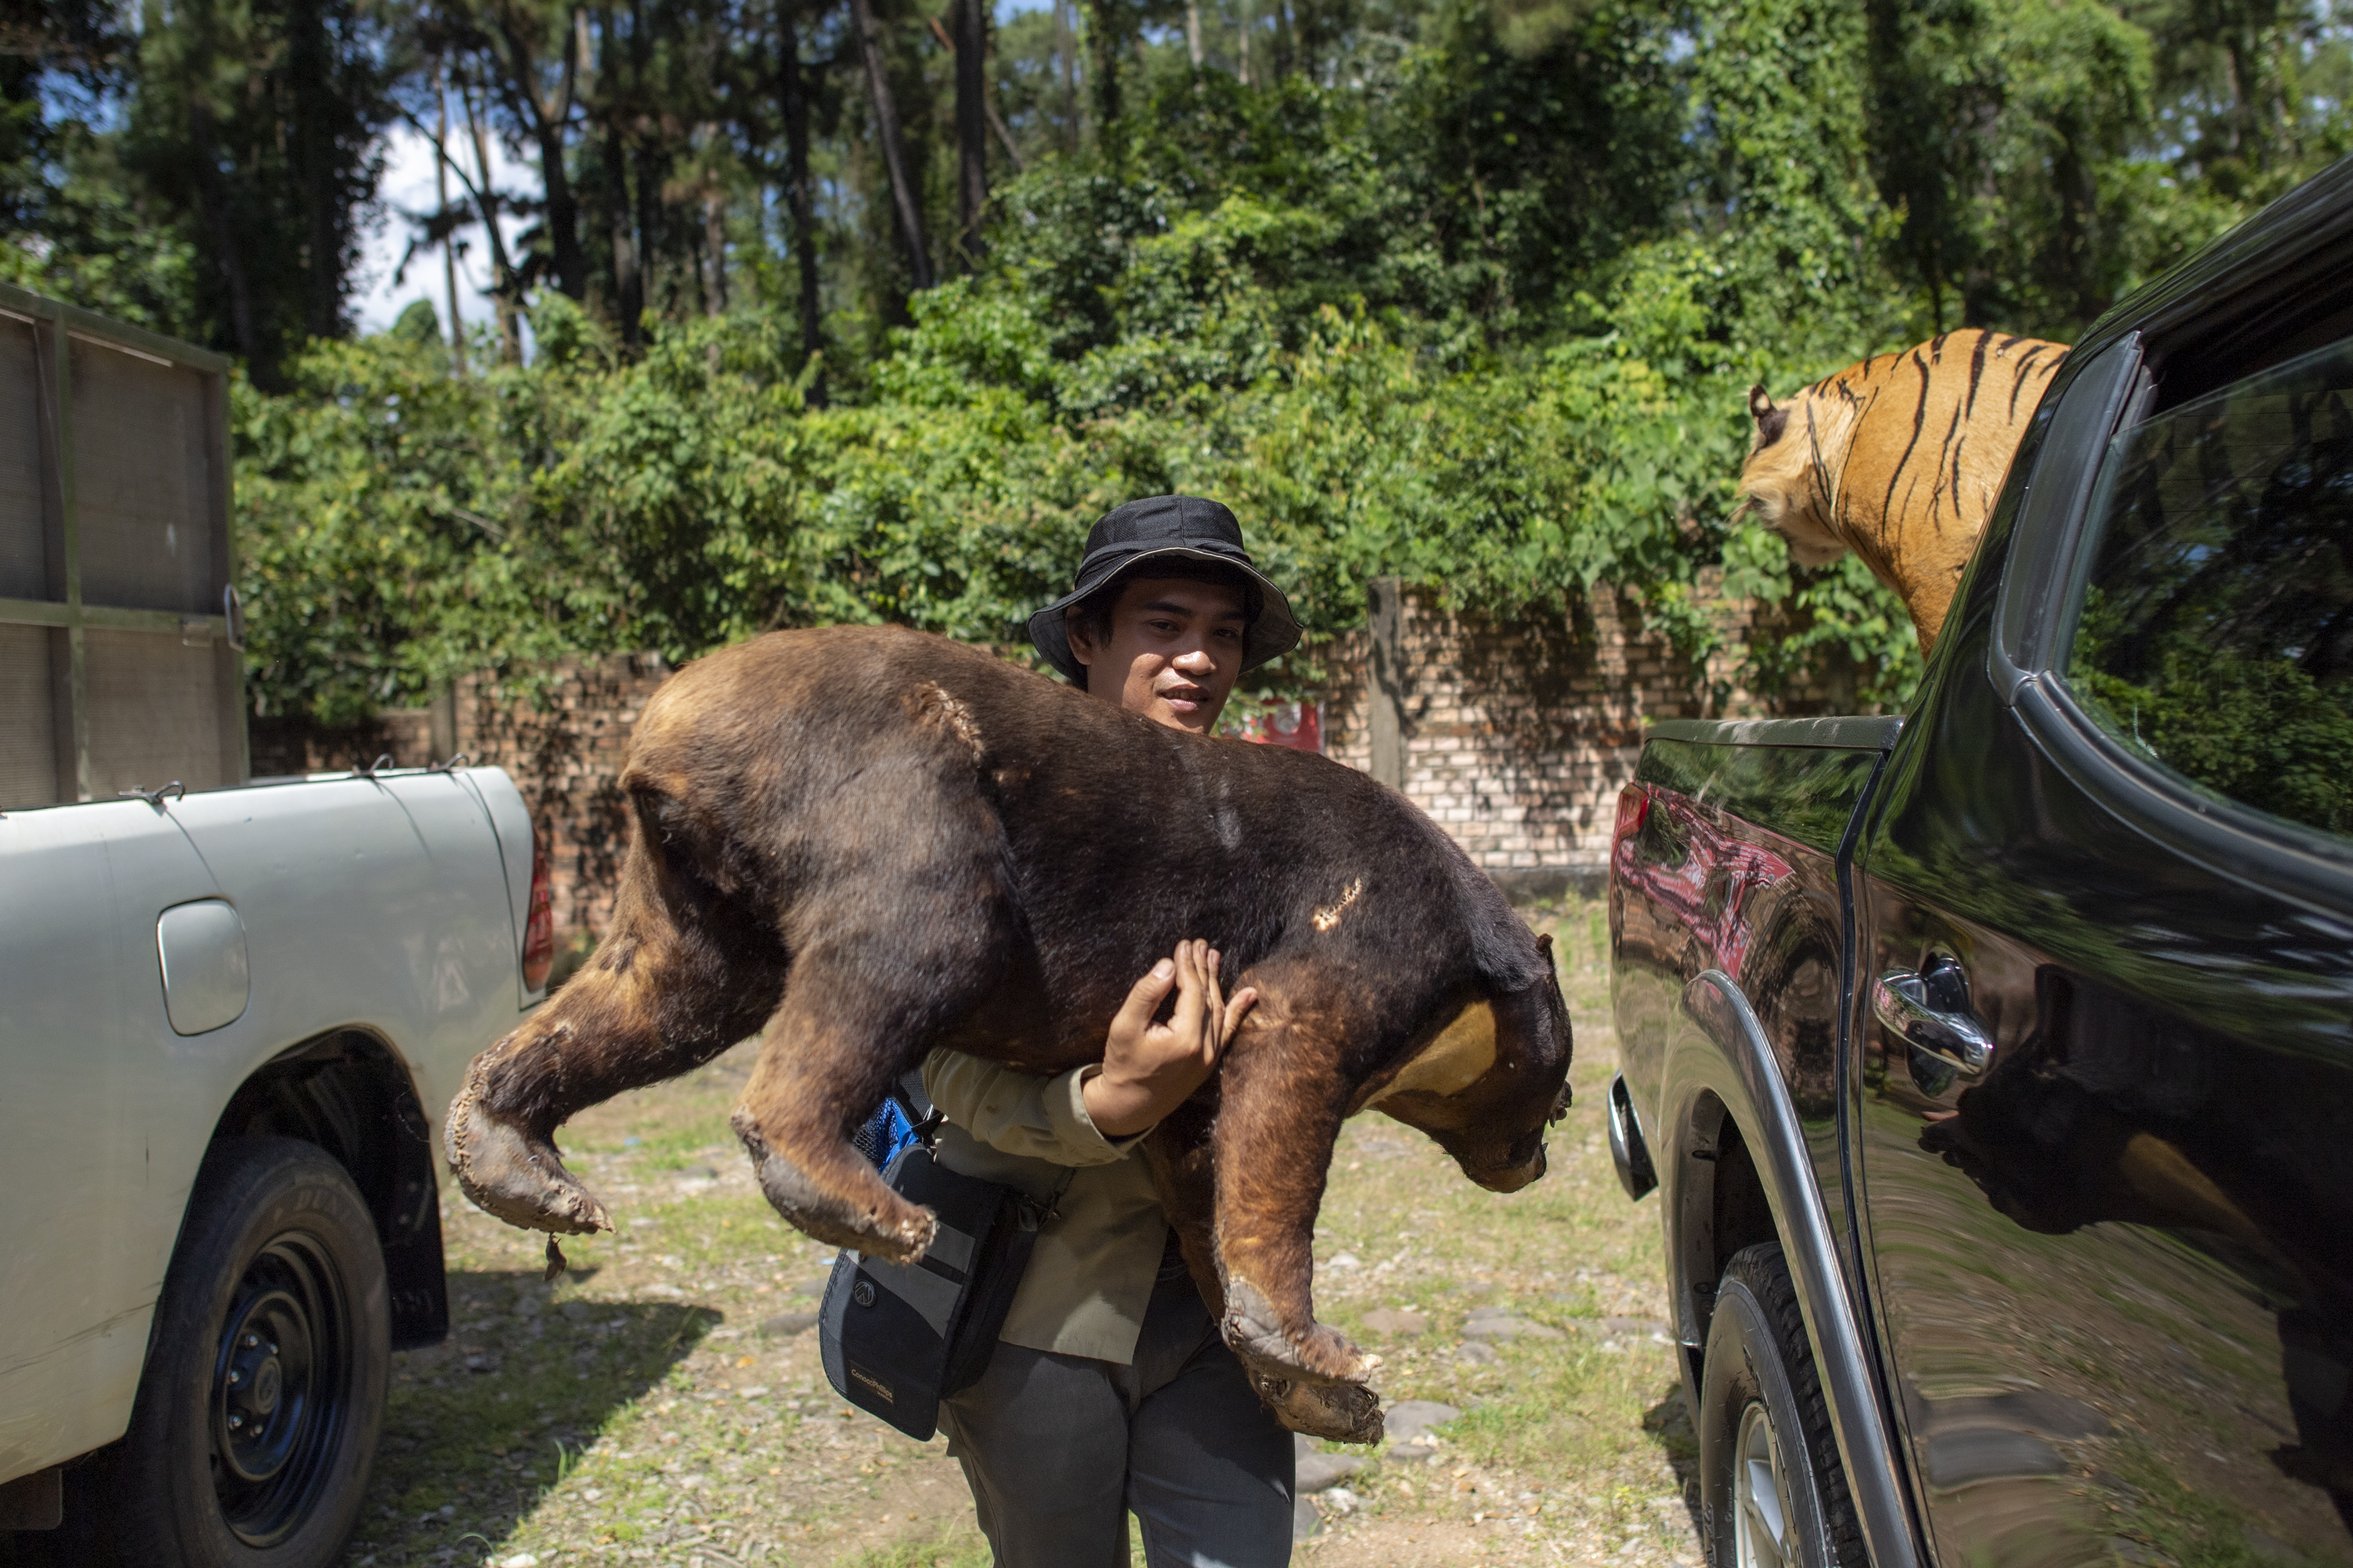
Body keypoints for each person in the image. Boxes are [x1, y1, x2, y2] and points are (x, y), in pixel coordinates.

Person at [922, 494, 1306, 1567]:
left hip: (1219, 1308)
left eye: (1224, 633)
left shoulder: (1267, 822)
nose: (1200, 659)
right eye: (1165, 625)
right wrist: (1106, 1105)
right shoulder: (994, 816)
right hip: (1036, 1318)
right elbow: (935, 1057)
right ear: (1086, 636)